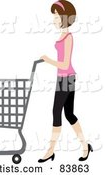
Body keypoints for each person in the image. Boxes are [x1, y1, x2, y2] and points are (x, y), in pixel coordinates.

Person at [38, 0, 93, 163]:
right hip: (63, 78)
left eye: (56, 17)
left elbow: (64, 63)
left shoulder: (68, 37)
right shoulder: (63, 35)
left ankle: (50, 150)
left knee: (57, 112)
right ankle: (85, 146)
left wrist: (48, 60)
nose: (54, 20)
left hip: (66, 78)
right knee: (69, 113)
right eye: (53, 17)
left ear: (65, 17)